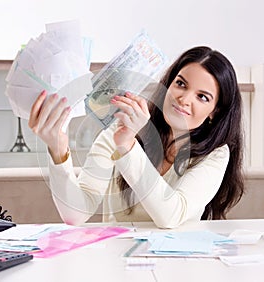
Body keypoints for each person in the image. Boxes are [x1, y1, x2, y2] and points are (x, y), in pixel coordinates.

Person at [28, 46, 244, 228]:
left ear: (214, 112)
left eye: (202, 97)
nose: (184, 99)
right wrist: (58, 150)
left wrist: (128, 147)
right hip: (117, 260)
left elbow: (171, 215)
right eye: (180, 84)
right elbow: (75, 214)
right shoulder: (120, 130)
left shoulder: (215, 153)